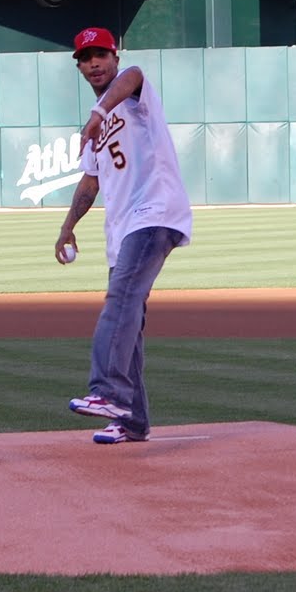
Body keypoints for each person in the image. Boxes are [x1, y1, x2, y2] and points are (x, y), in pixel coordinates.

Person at [55, 27, 193, 445]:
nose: (94, 62)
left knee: (120, 303)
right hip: (122, 229)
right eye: (85, 57)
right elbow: (89, 182)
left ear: (114, 57)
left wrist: (99, 112)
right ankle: (132, 420)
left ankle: (109, 393)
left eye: (101, 54)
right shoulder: (98, 128)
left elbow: (131, 76)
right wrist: (67, 227)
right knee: (127, 318)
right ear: (78, 65)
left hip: (154, 213)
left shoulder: (132, 92)